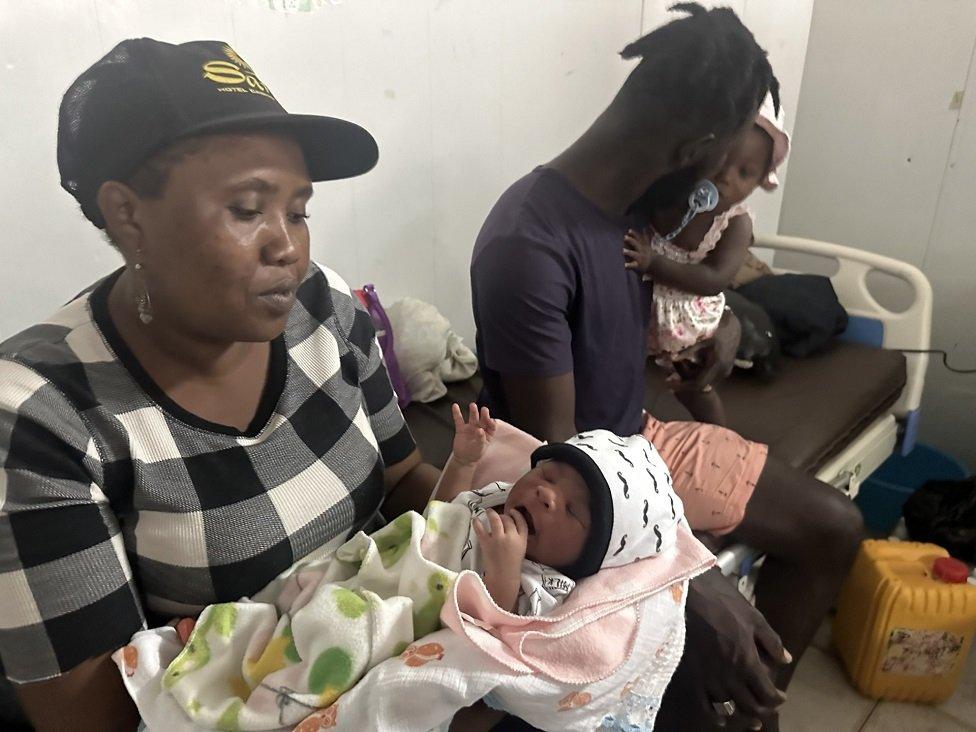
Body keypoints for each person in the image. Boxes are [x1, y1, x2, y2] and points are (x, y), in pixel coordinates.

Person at [0, 39, 439, 731]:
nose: (287, 247)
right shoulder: (41, 414)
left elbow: (404, 473)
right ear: (128, 214)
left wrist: (515, 520)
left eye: (298, 210)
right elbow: (91, 714)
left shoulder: (321, 306)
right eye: (247, 209)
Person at [470, 4, 864, 730]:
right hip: (583, 481)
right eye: (724, 164)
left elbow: (653, 310)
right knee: (704, 660)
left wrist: (718, 334)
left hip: (637, 441)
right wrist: (691, 576)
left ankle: (750, 709)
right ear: (695, 144)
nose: (721, 187)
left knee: (834, 528)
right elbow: (556, 472)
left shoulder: (628, 213)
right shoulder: (530, 248)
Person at [622, 92, 790, 426]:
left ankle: (717, 434)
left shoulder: (736, 223)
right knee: (621, 365)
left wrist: (653, 262)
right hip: (642, 301)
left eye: (744, 173)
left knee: (694, 384)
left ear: (759, 183)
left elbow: (714, 279)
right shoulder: (672, 193)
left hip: (684, 314)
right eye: (723, 159)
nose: (726, 176)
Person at [436, 404, 682, 615]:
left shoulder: (546, 585)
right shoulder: (498, 495)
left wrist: (505, 574)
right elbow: (440, 518)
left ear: (585, 558)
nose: (546, 494)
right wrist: (464, 463)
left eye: (572, 510)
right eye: (548, 475)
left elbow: (486, 632)